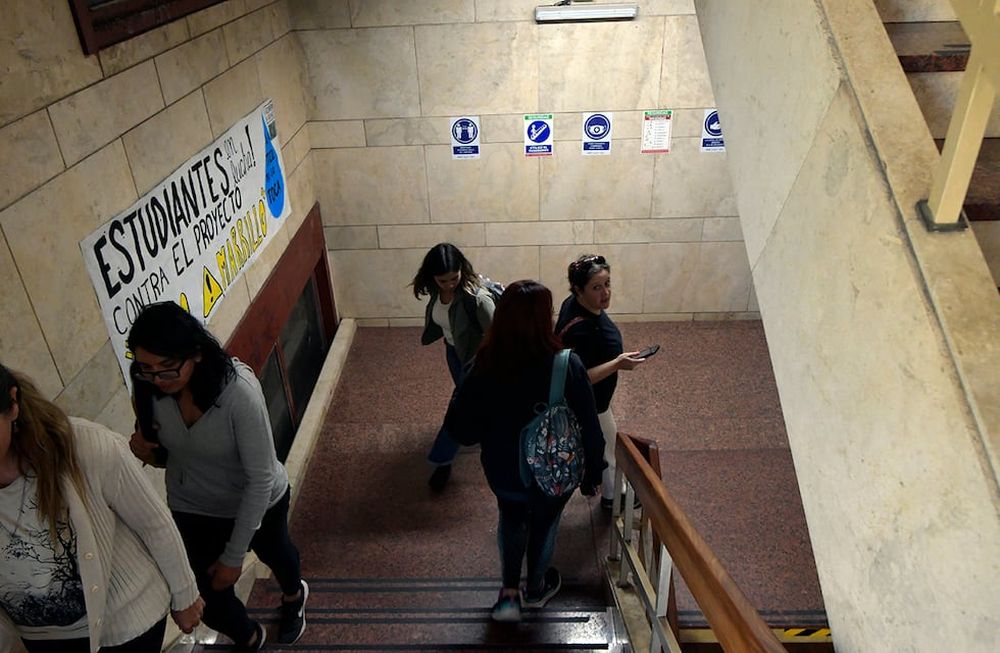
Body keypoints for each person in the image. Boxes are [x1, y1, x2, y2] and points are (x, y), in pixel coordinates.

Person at [126, 302, 307, 652]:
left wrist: (234, 556)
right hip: (194, 506)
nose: (158, 379)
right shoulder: (146, 385)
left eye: (168, 368)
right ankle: (250, 636)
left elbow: (260, 477)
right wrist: (146, 452)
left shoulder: (237, 391)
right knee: (206, 592)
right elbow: (173, 452)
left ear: (195, 354)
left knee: (279, 555)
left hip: (258, 501)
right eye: (147, 368)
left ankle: (293, 595)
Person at [0, 364, 204, 653]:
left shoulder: (87, 446)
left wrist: (185, 595)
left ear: (12, 405)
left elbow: (153, 522)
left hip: (124, 627)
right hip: (40, 638)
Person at [444, 280, 604, 623]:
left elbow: (459, 429)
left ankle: (509, 592)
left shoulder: (481, 364)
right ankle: (536, 589)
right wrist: (593, 472)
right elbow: (591, 427)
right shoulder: (566, 365)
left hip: (503, 470)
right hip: (553, 474)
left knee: (511, 519)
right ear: (545, 319)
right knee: (545, 524)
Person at [554, 255, 646, 511]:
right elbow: (578, 379)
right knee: (608, 449)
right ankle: (613, 498)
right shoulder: (585, 331)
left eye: (607, 284)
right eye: (596, 287)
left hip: (593, 399)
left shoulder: (571, 304)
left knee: (604, 445)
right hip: (592, 403)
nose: (605, 293)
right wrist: (617, 364)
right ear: (578, 290)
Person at [412, 243, 496, 491]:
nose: (449, 284)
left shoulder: (477, 299)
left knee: (460, 407)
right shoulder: (434, 290)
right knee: (474, 404)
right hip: (453, 353)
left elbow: (495, 333)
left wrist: (479, 365)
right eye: (443, 280)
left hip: (477, 360)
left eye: (454, 278)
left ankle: (442, 460)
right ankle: (485, 430)